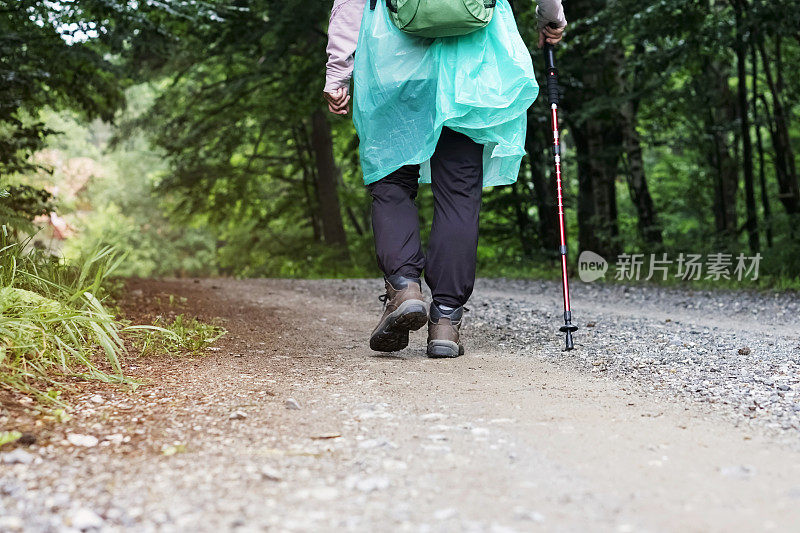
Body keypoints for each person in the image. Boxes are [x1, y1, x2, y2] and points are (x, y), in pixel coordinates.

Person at [324, 0, 566, 357]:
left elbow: (351, 3)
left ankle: (404, 288)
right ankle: (446, 321)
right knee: (459, 191)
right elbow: (547, 7)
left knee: (392, 181)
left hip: (393, 66)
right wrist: (551, 18)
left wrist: (337, 71)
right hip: (471, 70)